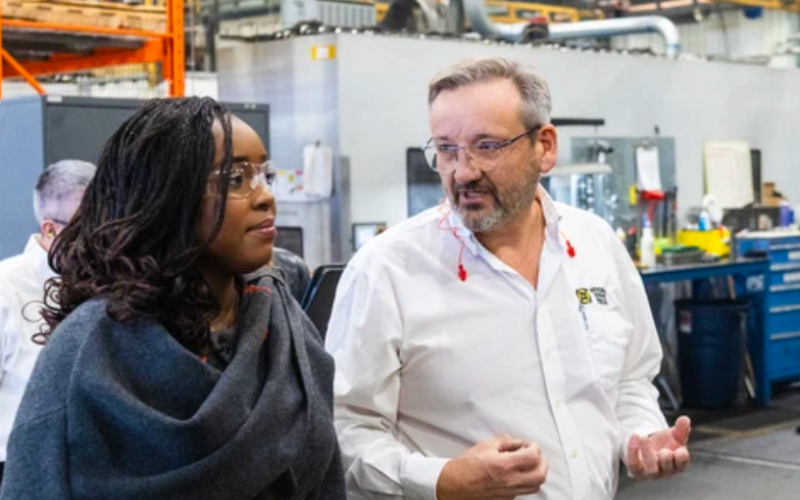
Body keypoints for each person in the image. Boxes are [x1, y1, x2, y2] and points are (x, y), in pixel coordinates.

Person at [325, 57, 691, 500]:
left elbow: (631, 380)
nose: (462, 171)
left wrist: (640, 437)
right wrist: (443, 480)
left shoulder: (595, 243)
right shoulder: (387, 270)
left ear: (545, 146)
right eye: (446, 149)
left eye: (487, 146)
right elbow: (343, 428)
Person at [0, 97, 345, 500]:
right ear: (166, 196)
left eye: (265, 175)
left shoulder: (283, 325)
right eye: (234, 179)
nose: (266, 196)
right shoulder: (90, 350)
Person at [0, 159, 96, 486]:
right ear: (51, 230)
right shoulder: (6, 288)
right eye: (89, 228)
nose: (103, 240)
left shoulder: (111, 286)